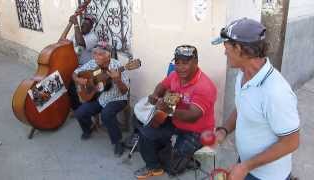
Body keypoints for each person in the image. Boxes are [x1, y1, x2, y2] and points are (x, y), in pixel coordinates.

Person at [212, 18, 300, 180]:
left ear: (238, 48)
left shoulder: (275, 92)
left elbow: (291, 142)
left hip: (268, 176)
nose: (225, 53)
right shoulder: (242, 74)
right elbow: (242, 107)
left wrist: (246, 166)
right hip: (247, 165)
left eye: (226, 48)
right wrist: (224, 130)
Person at [134, 45, 217, 179]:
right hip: (175, 122)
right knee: (146, 133)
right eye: (177, 63)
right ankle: (153, 167)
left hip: (197, 131)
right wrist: (155, 94)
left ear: (196, 62)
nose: (180, 67)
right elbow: (162, 86)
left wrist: (170, 110)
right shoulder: (174, 75)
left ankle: (183, 156)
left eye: (185, 63)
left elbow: (193, 116)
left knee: (172, 168)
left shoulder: (205, 86)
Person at [72, 46, 129, 157]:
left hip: (117, 98)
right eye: (94, 53)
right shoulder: (93, 63)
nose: (95, 56)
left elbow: (124, 91)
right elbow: (74, 74)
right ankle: (87, 129)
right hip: (100, 97)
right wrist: (79, 80)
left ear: (108, 56)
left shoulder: (117, 66)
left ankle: (118, 142)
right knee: (79, 113)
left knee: (106, 114)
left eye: (99, 54)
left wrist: (117, 80)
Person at [68, 15, 98, 111]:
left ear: (91, 27)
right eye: (82, 24)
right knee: (67, 83)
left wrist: (76, 24)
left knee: (78, 87)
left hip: (86, 68)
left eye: (86, 25)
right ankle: (75, 108)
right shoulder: (77, 33)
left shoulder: (93, 37)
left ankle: (83, 109)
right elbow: (69, 45)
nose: (83, 26)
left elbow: (81, 43)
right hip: (73, 65)